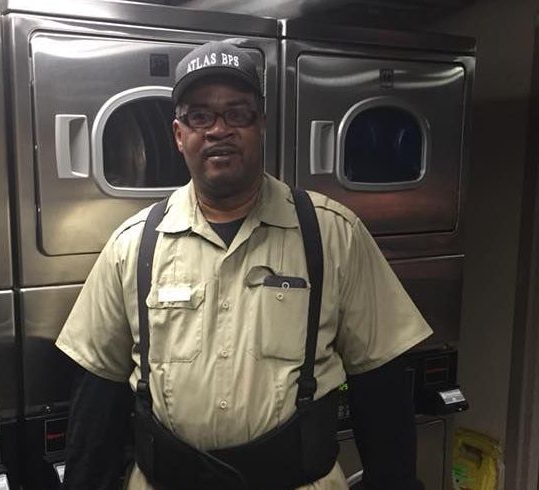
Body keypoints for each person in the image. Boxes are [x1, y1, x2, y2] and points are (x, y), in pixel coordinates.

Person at [56, 41, 431, 490]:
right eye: (200, 116)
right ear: (179, 134)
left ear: (262, 125)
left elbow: (381, 389)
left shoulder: (333, 235)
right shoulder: (132, 246)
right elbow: (96, 399)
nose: (219, 130)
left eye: (238, 114)